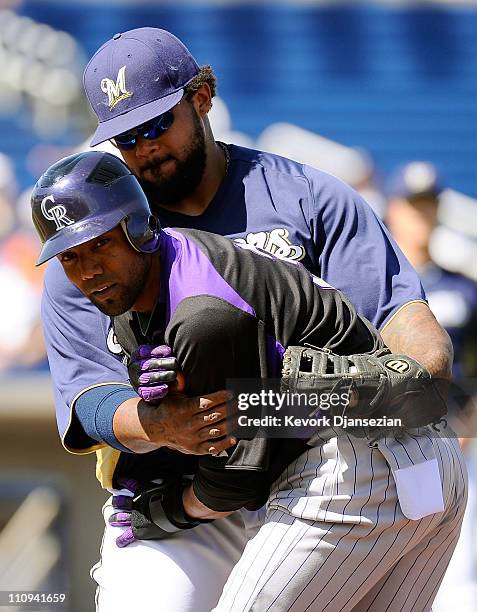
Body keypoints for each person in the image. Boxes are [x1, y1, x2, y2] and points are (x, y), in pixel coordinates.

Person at [40, 28, 455, 610]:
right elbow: (87, 397)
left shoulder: (310, 198)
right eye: (126, 138)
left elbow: (412, 336)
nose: (146, 148)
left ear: (203, 97)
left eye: (158, 125)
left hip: (314, 470)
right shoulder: (94, 244)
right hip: (179, 492)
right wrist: (164, 426)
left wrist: (370, 388)